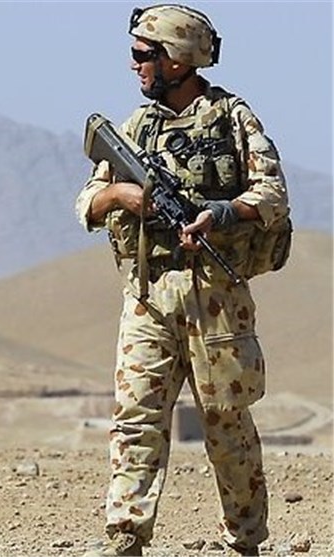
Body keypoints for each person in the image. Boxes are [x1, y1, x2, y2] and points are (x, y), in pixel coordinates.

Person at [74, 4, 290, 557]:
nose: (134, 65)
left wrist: (222, 213)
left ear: (176, 59)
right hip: (148, 295)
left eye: (143, 54)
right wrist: (121, 195)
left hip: (216, 298)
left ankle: (244, 539)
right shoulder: (136, 129)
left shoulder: (232, 119)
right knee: (136, 419)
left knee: (227, 424)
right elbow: (86, 203)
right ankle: (126, 536)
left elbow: (273, 194)